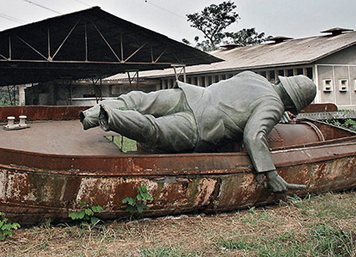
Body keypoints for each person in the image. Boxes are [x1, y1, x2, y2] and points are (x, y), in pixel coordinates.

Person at [80, 71, 317, 193]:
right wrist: (271, 174)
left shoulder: (252, 77)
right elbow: (253, 136)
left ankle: (95, 111)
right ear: (293, 104)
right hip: (201, 125)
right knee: (155, 131)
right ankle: (109, 117)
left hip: (191, 95)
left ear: (282, 83)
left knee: (142, 100)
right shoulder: (273, 106)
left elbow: (244, 102)